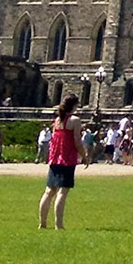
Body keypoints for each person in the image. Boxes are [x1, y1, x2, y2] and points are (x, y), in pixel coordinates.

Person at [39, 96, 85, 230]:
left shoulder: (58, 121)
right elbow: (77, 141)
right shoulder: (74, 120)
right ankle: (58, 225)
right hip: (67, 159)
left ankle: (42, 223)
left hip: (54, 159)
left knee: (49, 191)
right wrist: (84, 156)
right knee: (62, 192)